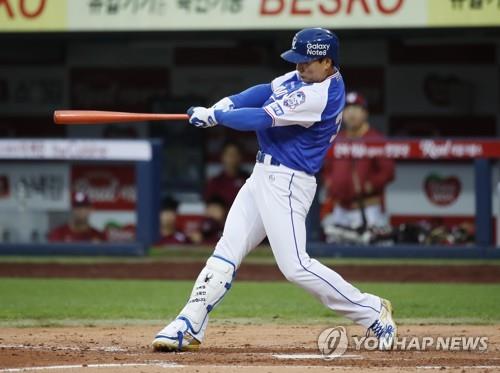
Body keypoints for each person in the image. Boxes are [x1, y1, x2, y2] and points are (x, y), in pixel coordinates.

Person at [152, 28, 397, 352]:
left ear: (327, 62)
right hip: (263, 174)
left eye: (306, 62)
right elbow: (263, 91)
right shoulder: (305, 77)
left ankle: (371, 310)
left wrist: (215, 116)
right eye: (297, 61)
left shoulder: (321, 94)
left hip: (289, 182)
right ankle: (189, 323)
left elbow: (261, 118)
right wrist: (226, 103)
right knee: (228, 250)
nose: (299, 68)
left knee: (295, 266)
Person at [322, 92, 395, 234]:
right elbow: (326, 169)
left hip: (368, 207)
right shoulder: (336, 139)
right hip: (339, 208)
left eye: (356, 108)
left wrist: (370, 185)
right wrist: (330, 182)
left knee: (371, 252)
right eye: (347, 109)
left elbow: (388, 172)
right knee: (337, 252)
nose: (351, 113)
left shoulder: (376, 139)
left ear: (365, 113)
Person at [205, 141, 250, 209]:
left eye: (235, 154)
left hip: (244, 216)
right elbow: (210, 209)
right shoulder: (215, 182)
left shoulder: (248, 180)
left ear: (241, 157)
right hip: (223, 218)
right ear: (223, 157)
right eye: (229, 155)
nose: (232, 158)